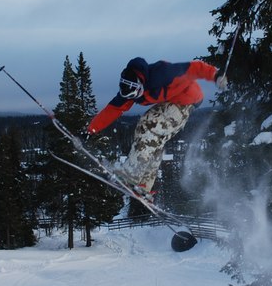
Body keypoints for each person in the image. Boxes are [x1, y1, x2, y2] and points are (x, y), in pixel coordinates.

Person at [87, 56, 226, 195]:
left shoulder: (162, 73)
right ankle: (143, 185)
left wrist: (215, 75)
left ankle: (131, 175)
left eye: (134, 93)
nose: (132, 97)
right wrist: (90, 130)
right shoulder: (130, 90)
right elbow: (113, 109)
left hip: (187, 100)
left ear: (140, 83)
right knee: (154, 141)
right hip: (172, 102)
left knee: (147, 125)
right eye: (128, 95)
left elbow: (193, 68)